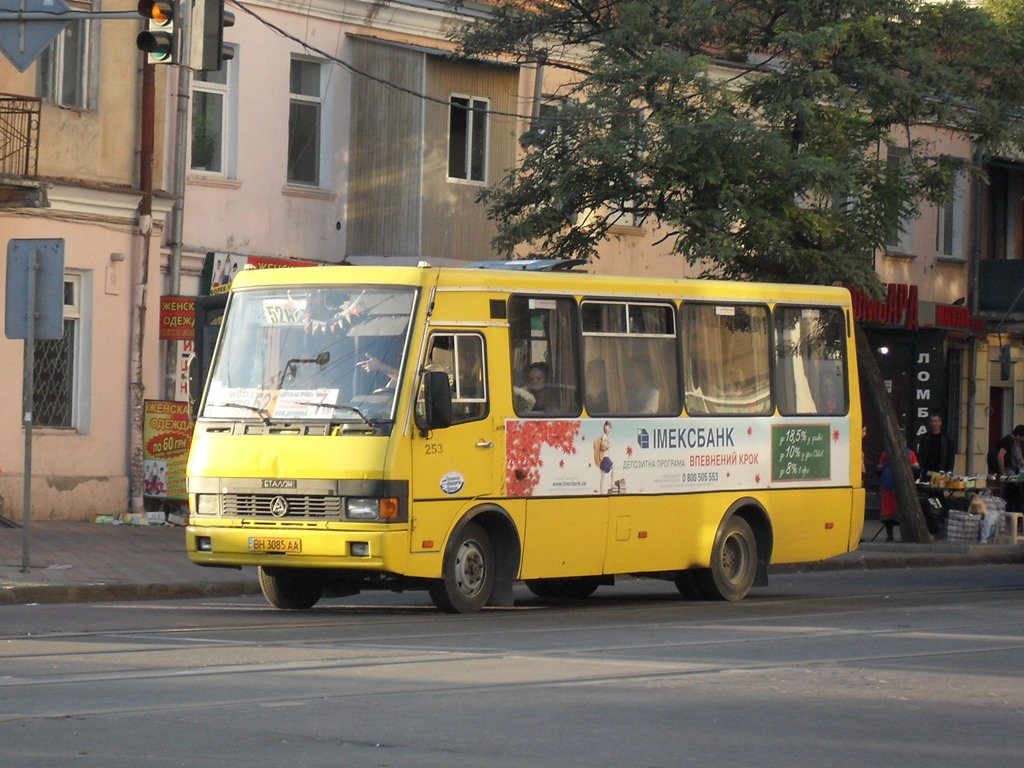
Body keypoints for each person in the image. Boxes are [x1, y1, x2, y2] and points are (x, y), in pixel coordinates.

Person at [877, 445, 920, 542]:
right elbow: (917, 469)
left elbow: (879, 469)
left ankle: (889, 536)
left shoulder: (885, 453)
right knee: (903, 510)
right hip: (904, 486)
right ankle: (904, 535)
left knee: (888, 510)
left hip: (887, 485)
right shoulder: (910, 453)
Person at [915, 412, 954, 477]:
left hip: (941, 470)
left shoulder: (947, 438)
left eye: (936, 421)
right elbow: (921, 453)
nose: (934, 423)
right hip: (927, 470)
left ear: (940, 423)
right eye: (932, 421)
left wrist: (949, 470)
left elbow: (951, 455)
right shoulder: (925, 437)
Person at [593, 420, 615, 494]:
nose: (609, 429)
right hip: (604, 457)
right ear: (605, 428)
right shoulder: (605, 436)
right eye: (608, 427)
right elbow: (603, 445)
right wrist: (608, 446)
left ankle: (601, 492)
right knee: (613, 466)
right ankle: (612, 484)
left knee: (602, 477)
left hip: (601, 458)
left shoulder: (604, 436)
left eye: (609, 428)